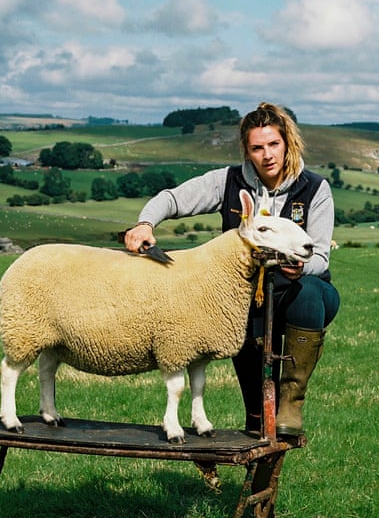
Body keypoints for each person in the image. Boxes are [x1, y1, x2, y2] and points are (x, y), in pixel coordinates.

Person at [123, 102, 339, 437]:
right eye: (257, 147)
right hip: (246, 296)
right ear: (247, 150)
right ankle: (256, 417)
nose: (267, 154)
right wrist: (145, 223)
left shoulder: (314, 188)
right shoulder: (227, 181)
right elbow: (172, 199)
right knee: (256, 415)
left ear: (287, 144)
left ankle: (291, 403)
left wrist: (301, 265)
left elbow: (322, 257)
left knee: (310, 293)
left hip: (298, 291)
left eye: (273, 144)